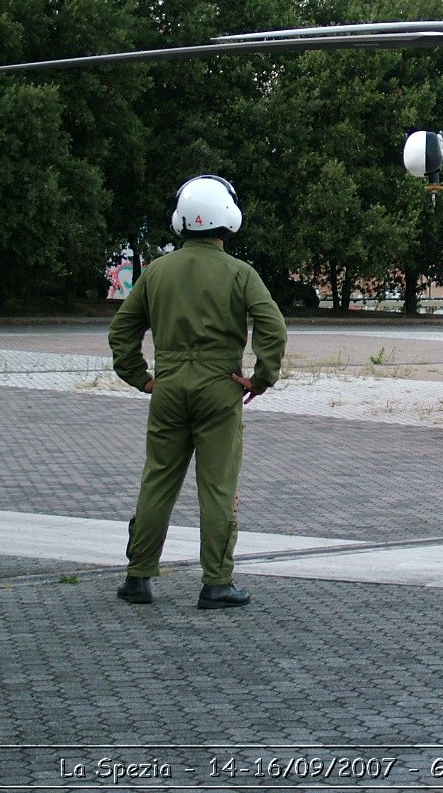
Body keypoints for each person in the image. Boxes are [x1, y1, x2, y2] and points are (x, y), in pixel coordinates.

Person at [109, 174, 288, 610]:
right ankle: (216, 582)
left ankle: (138, 577)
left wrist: (143, 377)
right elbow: (273, 326)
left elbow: (122, 332)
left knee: (157, 481)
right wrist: (260, 379)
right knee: (217, 486)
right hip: (219, 389)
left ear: (181, 220)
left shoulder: (156, 272)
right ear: (228, 219)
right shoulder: (240, 274)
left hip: (168, 386)